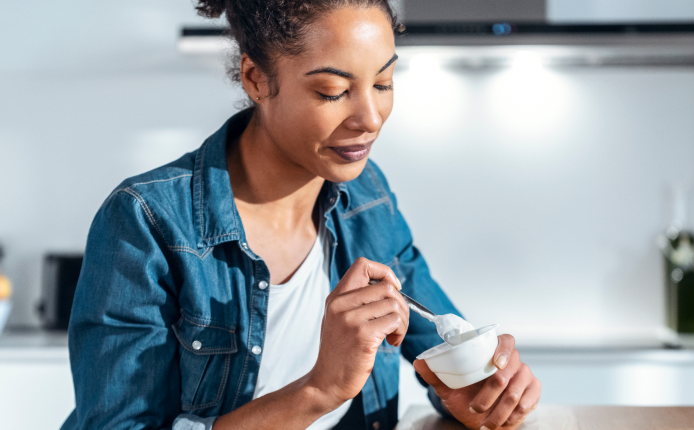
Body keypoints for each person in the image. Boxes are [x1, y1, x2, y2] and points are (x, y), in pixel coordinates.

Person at [61, 1, 541, 429]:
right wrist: (320, 389)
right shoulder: (147, 221)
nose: (370, 118)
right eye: (333, 91)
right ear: (256, 80)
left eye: (383, 82)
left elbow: (435, 343)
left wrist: (471, 391)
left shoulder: (368, 198)